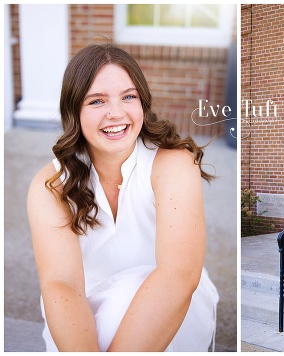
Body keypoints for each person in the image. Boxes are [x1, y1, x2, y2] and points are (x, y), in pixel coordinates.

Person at [27, 43, 219, 351]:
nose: (116, 113)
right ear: (74, 110)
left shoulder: (172, 164)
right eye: (97, 101)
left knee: (124, 305)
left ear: (143, 102)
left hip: (175, 304)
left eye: (128, 97)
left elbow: (178, 275)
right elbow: (62, 284)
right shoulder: (50, 185)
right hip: (85, 307)